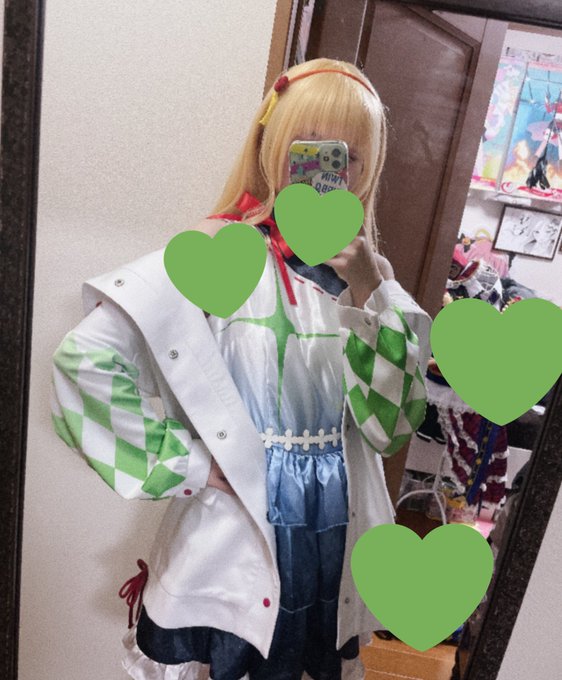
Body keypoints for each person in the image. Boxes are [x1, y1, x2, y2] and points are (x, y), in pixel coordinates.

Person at [50, 58, 432, 680]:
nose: (326, 168)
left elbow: (388, 430)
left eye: (348, 155)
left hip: (332, 530)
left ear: (366, 169)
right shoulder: (218, 252)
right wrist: (190, 464)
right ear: (273, 146)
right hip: (232, 536)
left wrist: (369, 289)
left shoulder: (371, 280)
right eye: (309, 147)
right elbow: (84, 361)